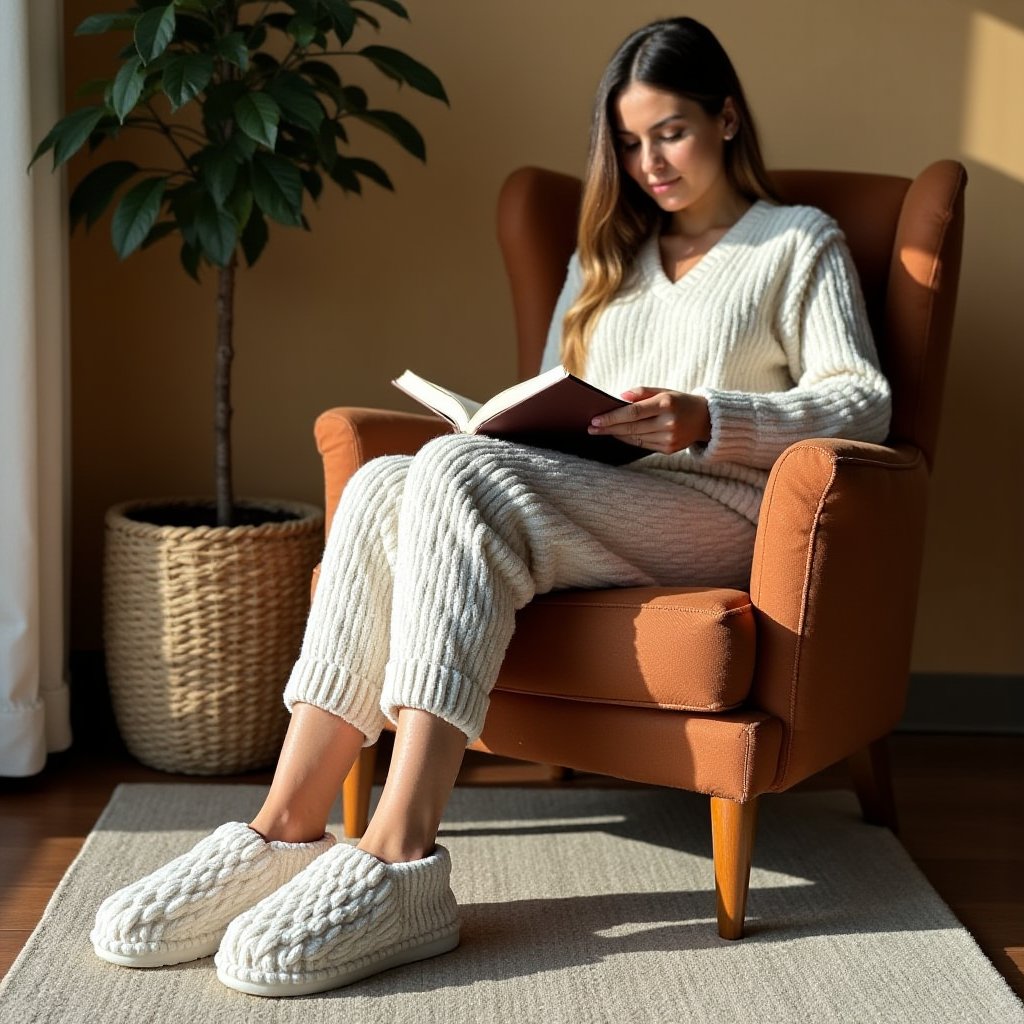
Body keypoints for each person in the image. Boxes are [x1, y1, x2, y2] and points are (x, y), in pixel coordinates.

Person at [90, 16, 890, 998]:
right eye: (630, 144)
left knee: (455, 476)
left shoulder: (797, 241)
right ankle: (284, 825)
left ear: (726, 118)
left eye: (670, 133)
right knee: (393, 479)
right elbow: (553, 396)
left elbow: (863, 400)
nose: (649, 164)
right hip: (601, 501)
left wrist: (704, 417)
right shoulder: (607, 258)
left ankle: (401, 850)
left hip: (724, 512)